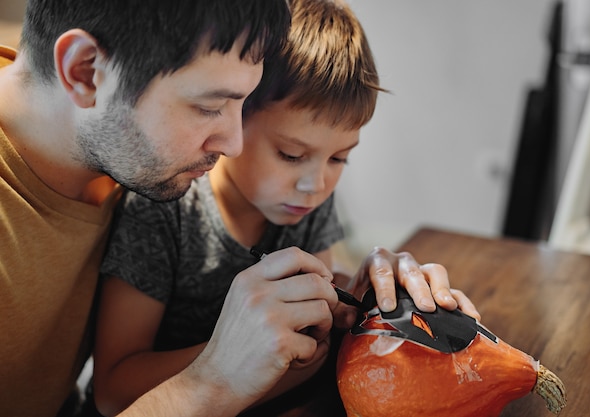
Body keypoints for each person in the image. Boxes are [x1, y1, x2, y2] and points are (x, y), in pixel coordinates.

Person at [0, 1, 475, 416]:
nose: (234, 143)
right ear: (84, 71)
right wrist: (220, 373)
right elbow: (113, 390)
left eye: (244, 102)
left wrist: (373, 296)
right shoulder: (151, 191)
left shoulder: (121, 157)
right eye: (211, 106)